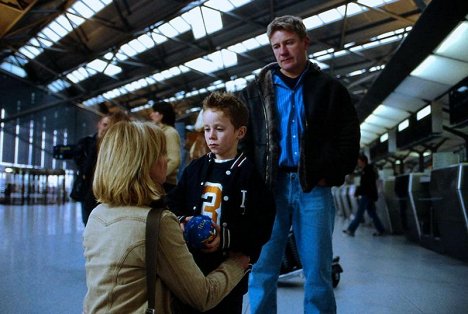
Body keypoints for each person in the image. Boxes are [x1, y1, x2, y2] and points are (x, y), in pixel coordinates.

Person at [238, 15, 360, 313]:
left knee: (317, 269)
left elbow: (348, 137)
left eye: (289, 42)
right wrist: (250, 182)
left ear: (305, 42)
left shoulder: (330, 89)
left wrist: (327, 174)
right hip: (269, 189)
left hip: (313, 189)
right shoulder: (253, 93)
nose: (282, 51)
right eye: (276, 45)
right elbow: (243, 140)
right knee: (263, 267)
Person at [83, 121, 251, 314]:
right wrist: (237, 264)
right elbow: (203, 295)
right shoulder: (157, 223)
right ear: (143, 163)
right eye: (161, 153)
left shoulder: (97, 214)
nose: (167, 160)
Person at [167, 92, 276, 314]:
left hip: (228, 273)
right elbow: (173, 202)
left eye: (219, 128)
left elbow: (262, 224)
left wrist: (226, 238)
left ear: (240, 132)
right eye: (207, 129)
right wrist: (182, 220)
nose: (211, 136)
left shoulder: (249, 175)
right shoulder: (195, 169)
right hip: (190, 268)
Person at [72, 110, 130, 225]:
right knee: (89, 223)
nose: (106, 128)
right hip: (89, 190)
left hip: (104, 192)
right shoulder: (87, 143)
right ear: (98, 124)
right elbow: (84, 166)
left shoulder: (113, 146)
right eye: (104, 125)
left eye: (109, 125)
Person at [343, 154, 385, 237]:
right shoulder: (366, 170)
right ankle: (381, 229)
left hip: (367, 195)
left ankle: (351, 229)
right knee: (372, 213)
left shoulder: (367, 171)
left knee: (359, 213)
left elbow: (366, 185)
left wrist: (358, 192)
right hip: (369, 195)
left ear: (363, 161)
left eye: (359, 162)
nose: (358, 164)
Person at [150, 101, 181, 192]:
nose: (151, 115)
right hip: (160, 182)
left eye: (154, 112)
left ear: (161, 115)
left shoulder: (170, 133)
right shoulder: (160, 132)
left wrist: (157, 177)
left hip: (166, 184)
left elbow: (174, 160)